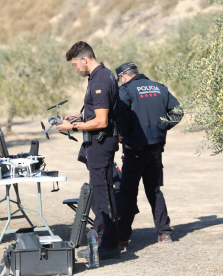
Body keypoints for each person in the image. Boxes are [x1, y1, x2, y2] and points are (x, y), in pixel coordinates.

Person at [57, 41, 121, 259]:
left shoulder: (100, 80)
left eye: (75, 64)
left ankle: (108, 244)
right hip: (100, 143)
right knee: (101, 191)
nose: (76, 69)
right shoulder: (99, 76)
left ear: (84, 59)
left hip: (101, 143)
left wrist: (72, 127)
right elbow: (95, 114)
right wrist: (76, 118)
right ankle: (108, 240)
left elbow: (102, 121)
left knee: (103, 194)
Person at [115, 62, 182, 245]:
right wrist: (162, 127)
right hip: (155, 148)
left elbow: (123, 116)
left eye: (120, 79)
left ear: (124, 76)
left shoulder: (127, 90)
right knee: (154, 191)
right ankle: (165, 233)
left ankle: (122, 237)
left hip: (134, 149)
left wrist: (123, 133)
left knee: (128, 192)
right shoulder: (159, 88)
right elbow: (178, 111)